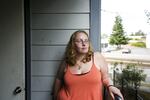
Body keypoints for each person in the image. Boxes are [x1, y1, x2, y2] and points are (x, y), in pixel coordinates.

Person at [53, 30, 124, 100]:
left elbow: (105, 77)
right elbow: (58, 79)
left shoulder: (97, 57)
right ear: (73, 44)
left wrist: (111, 86)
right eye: (80, 41)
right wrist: (55, 97)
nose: (84, 43)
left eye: (86, 40)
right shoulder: (66, 61)